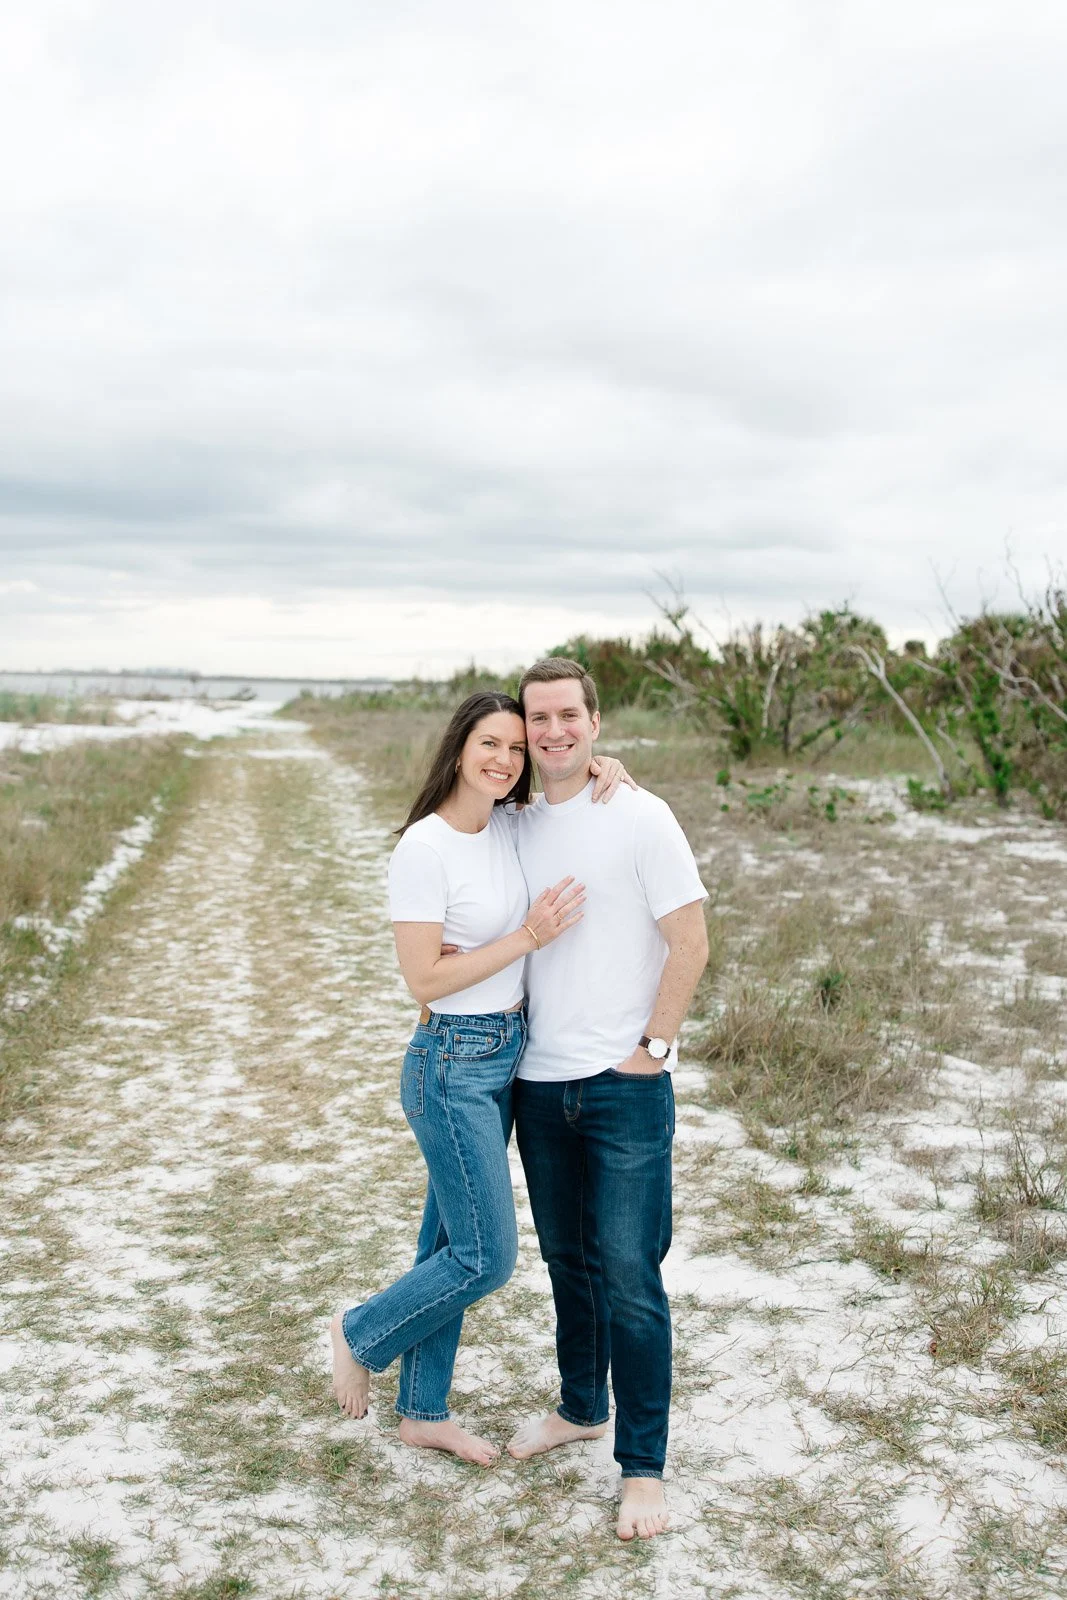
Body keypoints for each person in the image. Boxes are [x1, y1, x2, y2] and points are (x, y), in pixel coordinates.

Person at [329, 690, 628, 1465]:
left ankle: (423, 1409)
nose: (503, 760)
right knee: (485, 1257)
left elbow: (572, 788)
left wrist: (605, 763)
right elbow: (424, 980)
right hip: (451, 1063)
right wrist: (526, 937)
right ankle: (360, 1332)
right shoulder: (422, 849)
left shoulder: (508, 824)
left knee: (445, 1242)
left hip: (508, 1055)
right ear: (458, 747)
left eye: (515, 748)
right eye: (488, 744)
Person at [505, 658, 709, 1542]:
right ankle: (580, 1406)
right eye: (536, 719)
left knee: (630, 1275)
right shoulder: (505, 820)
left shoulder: (639, 813)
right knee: (568, 1266)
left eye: (567, 717)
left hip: (625, 1087)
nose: (552, 732)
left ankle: (641, 1467)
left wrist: (651, 1050)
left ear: (596, 723)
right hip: (537, 1084)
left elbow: (690, 941)